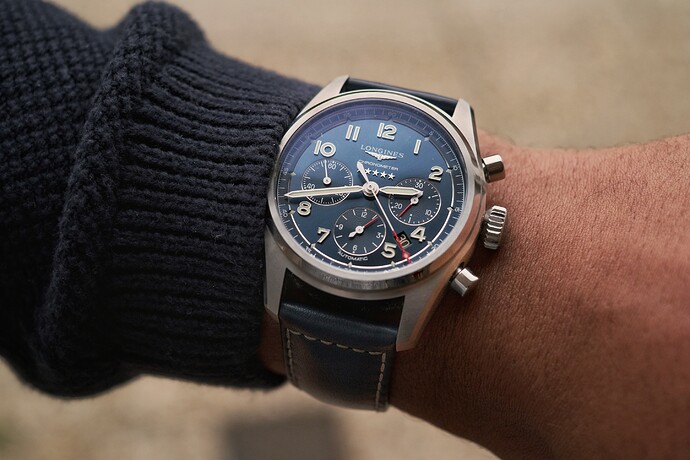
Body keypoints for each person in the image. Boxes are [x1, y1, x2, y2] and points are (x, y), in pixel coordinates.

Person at [1, 1, 688, 458]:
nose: (370, 189)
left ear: (487, 218)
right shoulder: (347, 165)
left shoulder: (452, 246)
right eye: (367, 184)